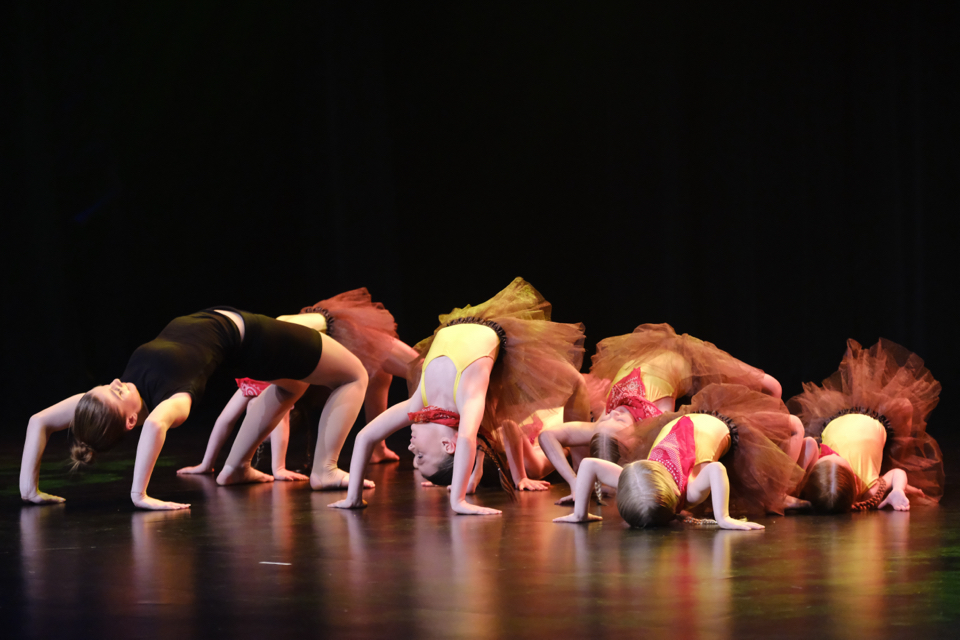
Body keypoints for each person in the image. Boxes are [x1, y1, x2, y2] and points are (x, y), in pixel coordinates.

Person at [20, 307, 369, 510]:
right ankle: (324, 470)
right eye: (115, 392)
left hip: (237, 339)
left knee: (292, 386)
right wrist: (138, 495)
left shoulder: (119, 394)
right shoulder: (177, 399)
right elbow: (155, 425)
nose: (115, 382)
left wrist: (28, 490)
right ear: (130, 420)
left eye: (105, 386)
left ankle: (236, 467)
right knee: (354, 376)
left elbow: (39, 420)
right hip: (258, 339)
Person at [329, 277, 585, 515]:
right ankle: (582, 479)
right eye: (420, 455)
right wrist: (458, 501)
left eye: (415, 456)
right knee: (576, 382)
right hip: (505, 336)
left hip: (463, 325)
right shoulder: (467, 399)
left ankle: (579, 480)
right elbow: (466, 438)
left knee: (571, 386)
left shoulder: (419, 402)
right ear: (447, 445)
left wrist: (354, 497)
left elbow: (365, 437)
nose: (410, 447)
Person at [176, 290, 419, 480]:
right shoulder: (264, 381)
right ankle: (383, 448)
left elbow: (232, 420)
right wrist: (207, 464)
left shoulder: (263, 383)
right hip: (307, 332)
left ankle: (388, 448)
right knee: (383, 374)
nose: (269, 430)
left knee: (414, 368)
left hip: (335, 329)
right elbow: (227, 419)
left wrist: (277, 468)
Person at [540, 324, 781, 502]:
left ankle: (779, 460)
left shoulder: (651, 419)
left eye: (609, 417)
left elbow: (548, 436)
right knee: (768, 389)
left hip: (677, 357)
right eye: (611, 419)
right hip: (657, 360)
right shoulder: (612, 426)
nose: (613, 415)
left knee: (772, 387)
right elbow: (547, 436)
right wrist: (573, 482)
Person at [554, 384, 804, 530]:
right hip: (681, 426)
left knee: (783, 438)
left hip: (719, 425)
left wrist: (723, 517)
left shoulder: (691, 491)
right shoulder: (633, 478)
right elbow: (589, 464)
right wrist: (579, 514)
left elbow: (716, 469)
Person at [789, 338, 942, 513]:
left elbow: (809, 443)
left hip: (838, 417)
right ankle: (896, 461)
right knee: (904, 406)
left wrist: (796, 486)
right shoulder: (869, 490)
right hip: (874, 420)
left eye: (825, 458)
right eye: (836, 458)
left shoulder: (815, 473)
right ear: (855, 485)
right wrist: (897, 489)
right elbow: (897, 473)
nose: (830, 454)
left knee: (824, 400)